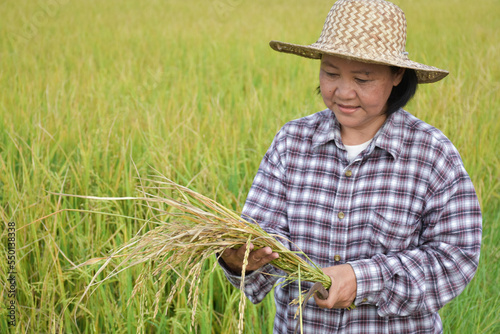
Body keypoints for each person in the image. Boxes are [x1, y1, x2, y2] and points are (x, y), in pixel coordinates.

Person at [219, 0, 482, 332]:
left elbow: (455, 258)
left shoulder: (431, 154)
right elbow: (262, 235)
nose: (343, 92)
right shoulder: (292, 142)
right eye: (330, 73)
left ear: (397, 75)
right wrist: (240, 259)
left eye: (362, 78)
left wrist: (361, 279)